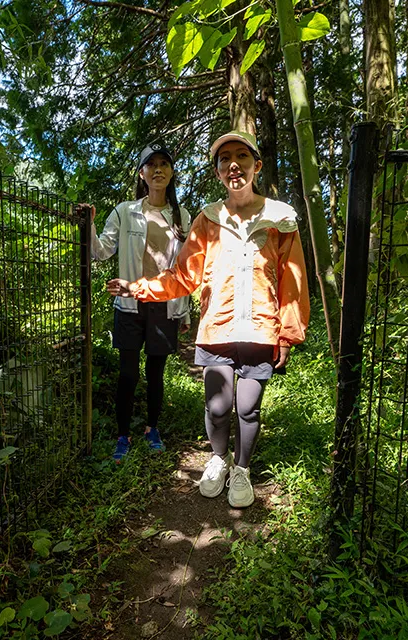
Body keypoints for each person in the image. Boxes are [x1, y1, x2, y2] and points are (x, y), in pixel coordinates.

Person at [106, 131, 310, 507]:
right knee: (218, 406)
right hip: (217, 328)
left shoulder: (280, 219)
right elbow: (183, 275)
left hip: (262, 330)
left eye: (242, 157)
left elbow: (293, 279)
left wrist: (288, 333)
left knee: (247, 407)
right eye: (224, 159)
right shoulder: (208, 219)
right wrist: (136, 288)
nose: (234, 165)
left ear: (256, 166)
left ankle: (242, 471)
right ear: (217, 172)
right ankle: (218, 459)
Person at [87, 143, 191, 463]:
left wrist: (184, 311)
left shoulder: (181, 215)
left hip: (165, 305)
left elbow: (185, 268)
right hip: (129, 305)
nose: (158, 169)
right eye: (151, 165)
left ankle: (152, 428)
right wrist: (88, 223)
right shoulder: (124, 211)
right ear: (142, 173)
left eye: (164, 164)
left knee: (156, 372)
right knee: (128, 374)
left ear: (171, 173)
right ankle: (123, 435)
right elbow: (101, 251)